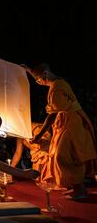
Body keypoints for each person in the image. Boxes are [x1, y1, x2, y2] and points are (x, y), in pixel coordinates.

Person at [22, 63, 97, 199]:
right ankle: (75, 187)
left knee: (63, 156)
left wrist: (38, 135)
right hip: (66, 122)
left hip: (71, 123)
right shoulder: (57, 84)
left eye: (38, 79)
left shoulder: (57, 88)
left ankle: (79, 189)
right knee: (68, 155)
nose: (38, 82)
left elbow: (52, 115)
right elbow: (55, 112)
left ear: (45, 74)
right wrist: (29, 70)